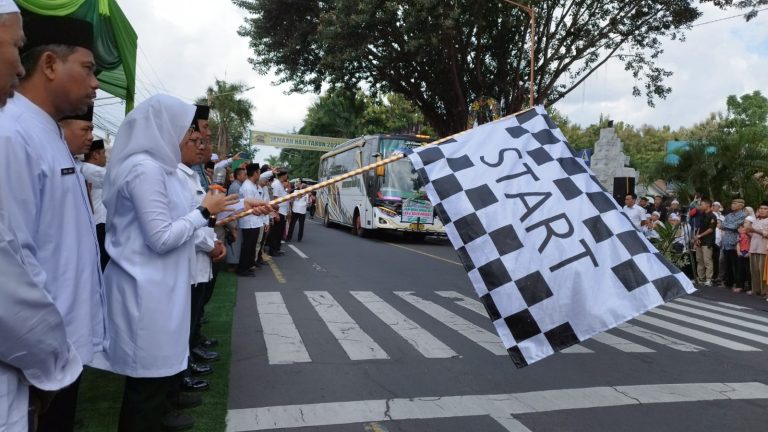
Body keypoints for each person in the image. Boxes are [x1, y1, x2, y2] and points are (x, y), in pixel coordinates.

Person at [92, 95, 237, 431]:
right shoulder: (144, 169)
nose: (193, 139)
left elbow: (185, 213)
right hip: (145, 291)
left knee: (154, 384)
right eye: (188, 132)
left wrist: (215, 210)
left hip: (160, 288)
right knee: (146, 388)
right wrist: (204, 213)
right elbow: (161, 238)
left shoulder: (159, 169)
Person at [0, 13, 104, 432]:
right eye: (88, 68)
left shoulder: (44, 133)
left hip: (59, 352)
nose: (95, 83)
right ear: (49, 65)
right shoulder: (12, 135)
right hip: (35, 359)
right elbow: (15, 269)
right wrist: (46, 360)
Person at [82, 139, 110, 270]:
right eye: (103, 153)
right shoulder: (93, 171)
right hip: (99, 224)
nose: (105, 157)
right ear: (95, 155)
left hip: (95, 224)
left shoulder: (83, 168)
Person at [237, 163, 264, 276]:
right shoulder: (247, 186)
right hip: (249, 221)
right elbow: (251, 205)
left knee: (251, 246)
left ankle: (248, 266)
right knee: (247, 246)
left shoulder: (252, 185)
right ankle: (243, 269)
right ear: (255, 173)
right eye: (259, 172)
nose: (260, 175)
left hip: (254, 221)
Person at [721, 199, 747, 291]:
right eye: (732, 203)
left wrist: (727, 225)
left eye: (735, 203)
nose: (732, 205)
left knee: (736, 265)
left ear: (741, 206)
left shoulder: (743, 215)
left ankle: (738, 284)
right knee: (727, 264)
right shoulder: (729, 215)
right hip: (726, 242)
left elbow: (735, 226)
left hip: (735, 242)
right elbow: (722, 225)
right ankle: (728, 282)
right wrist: (728, 225)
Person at [693, 198, 717, 286]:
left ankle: (709, 279)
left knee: (707, 260)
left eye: (701, 204)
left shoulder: (712, 216)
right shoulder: (701, 215)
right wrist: (697, 238)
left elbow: (710, 229)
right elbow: (699, 227)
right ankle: (701, 278)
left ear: (707, 205)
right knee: (699, 260)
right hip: (700, 240)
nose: (700, 206)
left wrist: (700, 236)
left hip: (708, 241)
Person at [747, 202, 768, 297]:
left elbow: (766, 234)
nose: (762, 210)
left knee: (763, 271)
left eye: (765, 208)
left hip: (763, 249)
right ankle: (756, 290)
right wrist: (747, 232)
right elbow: (752, 234)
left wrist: (754, 230)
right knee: (754, 270)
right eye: (760, 208)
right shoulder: (756, 220)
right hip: (753, 247)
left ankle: (764, 291)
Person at [268, 168, 290, 256]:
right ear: (283, 175)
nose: (287, 177)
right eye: (286, 175)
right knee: (275, 232)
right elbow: (275, 199)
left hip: (283, 211)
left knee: (280, 232)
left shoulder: (280, 184)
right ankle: (272, 250)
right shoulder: (276, 184)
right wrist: (276, 213)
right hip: (279, 211)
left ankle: (277, 248)